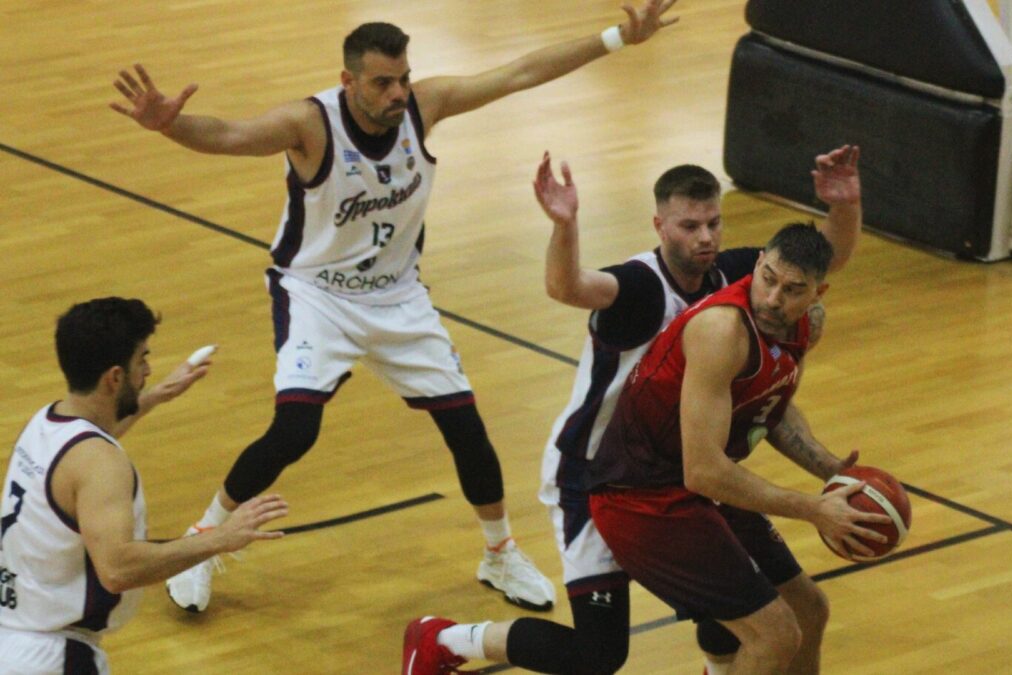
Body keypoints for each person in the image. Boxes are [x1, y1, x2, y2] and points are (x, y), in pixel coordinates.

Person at [108, 0, 679, 614]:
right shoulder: (310, 124)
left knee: (468, 431)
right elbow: (230, 136)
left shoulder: (423, 107)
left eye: (403, 78)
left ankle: (499, 552)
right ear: (348, 80)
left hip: (397, 296)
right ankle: (201, 541)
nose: (398, 93)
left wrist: (616, 37)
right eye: (383, 82)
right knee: (294, 430)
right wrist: (170, 126)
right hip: (318, 295)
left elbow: (519, 73)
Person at [402, 146, 867, 674]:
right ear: (660, 226)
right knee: (599, 653)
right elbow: (566, 286)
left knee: (752, 603)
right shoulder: (641, 288)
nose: (706, 238)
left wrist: (845, 203)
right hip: (599, 472)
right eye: (689, 226)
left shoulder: (742, 276)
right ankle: (445, 640)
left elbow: (820, 257)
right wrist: (565, 225)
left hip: (678, 465)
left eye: (713, 223)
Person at [0, 298, 288, 675]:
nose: (149, 370)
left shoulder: (45, 424)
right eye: (142, 360)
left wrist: (153, 396)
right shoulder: (100, 463)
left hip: (13, 633)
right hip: (51, 658)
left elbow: (84, 455)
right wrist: (219, 538)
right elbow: (118, 569)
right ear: (114, 378)